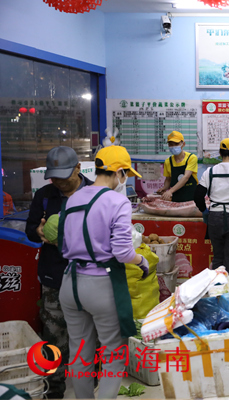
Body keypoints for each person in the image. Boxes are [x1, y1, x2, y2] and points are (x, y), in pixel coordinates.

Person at [57, 146, 149, 399]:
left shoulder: (73, 198)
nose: (125, 179)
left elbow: (62, 244)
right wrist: (141, 260)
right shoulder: (117, 201)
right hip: (101, 285)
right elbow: (122, 251)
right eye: (125, 173)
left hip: (70, 284)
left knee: (80, 351)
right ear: (118, 172)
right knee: (113, 353)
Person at [25, 146, 95, 399]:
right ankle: (54, 388)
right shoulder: (45, 195)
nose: (58, 182)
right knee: (54, 333)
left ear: (78, 168)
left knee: (91, 332)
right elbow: (31, 228)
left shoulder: (95, 194)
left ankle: (92, 382)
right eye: (53, 177)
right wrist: (40, 233)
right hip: (54, 274)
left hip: (90, 275)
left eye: (63, 176)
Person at [194, 138, 229, 274]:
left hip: (214, 217)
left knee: (218, 256)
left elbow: (197, 196)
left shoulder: (209, 171)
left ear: (220, 153)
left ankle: (216, 289)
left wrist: (205, 211)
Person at [157, 131, 198, 202]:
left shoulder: (191, 158)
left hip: (192, 197)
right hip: (176, 198)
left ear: (183, 144)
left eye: (176, 144)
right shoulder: (168, 161)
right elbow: (168, 179)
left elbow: (186, 177)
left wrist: (170, 191)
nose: (173, 146)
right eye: (170, 144)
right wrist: (165, 188)